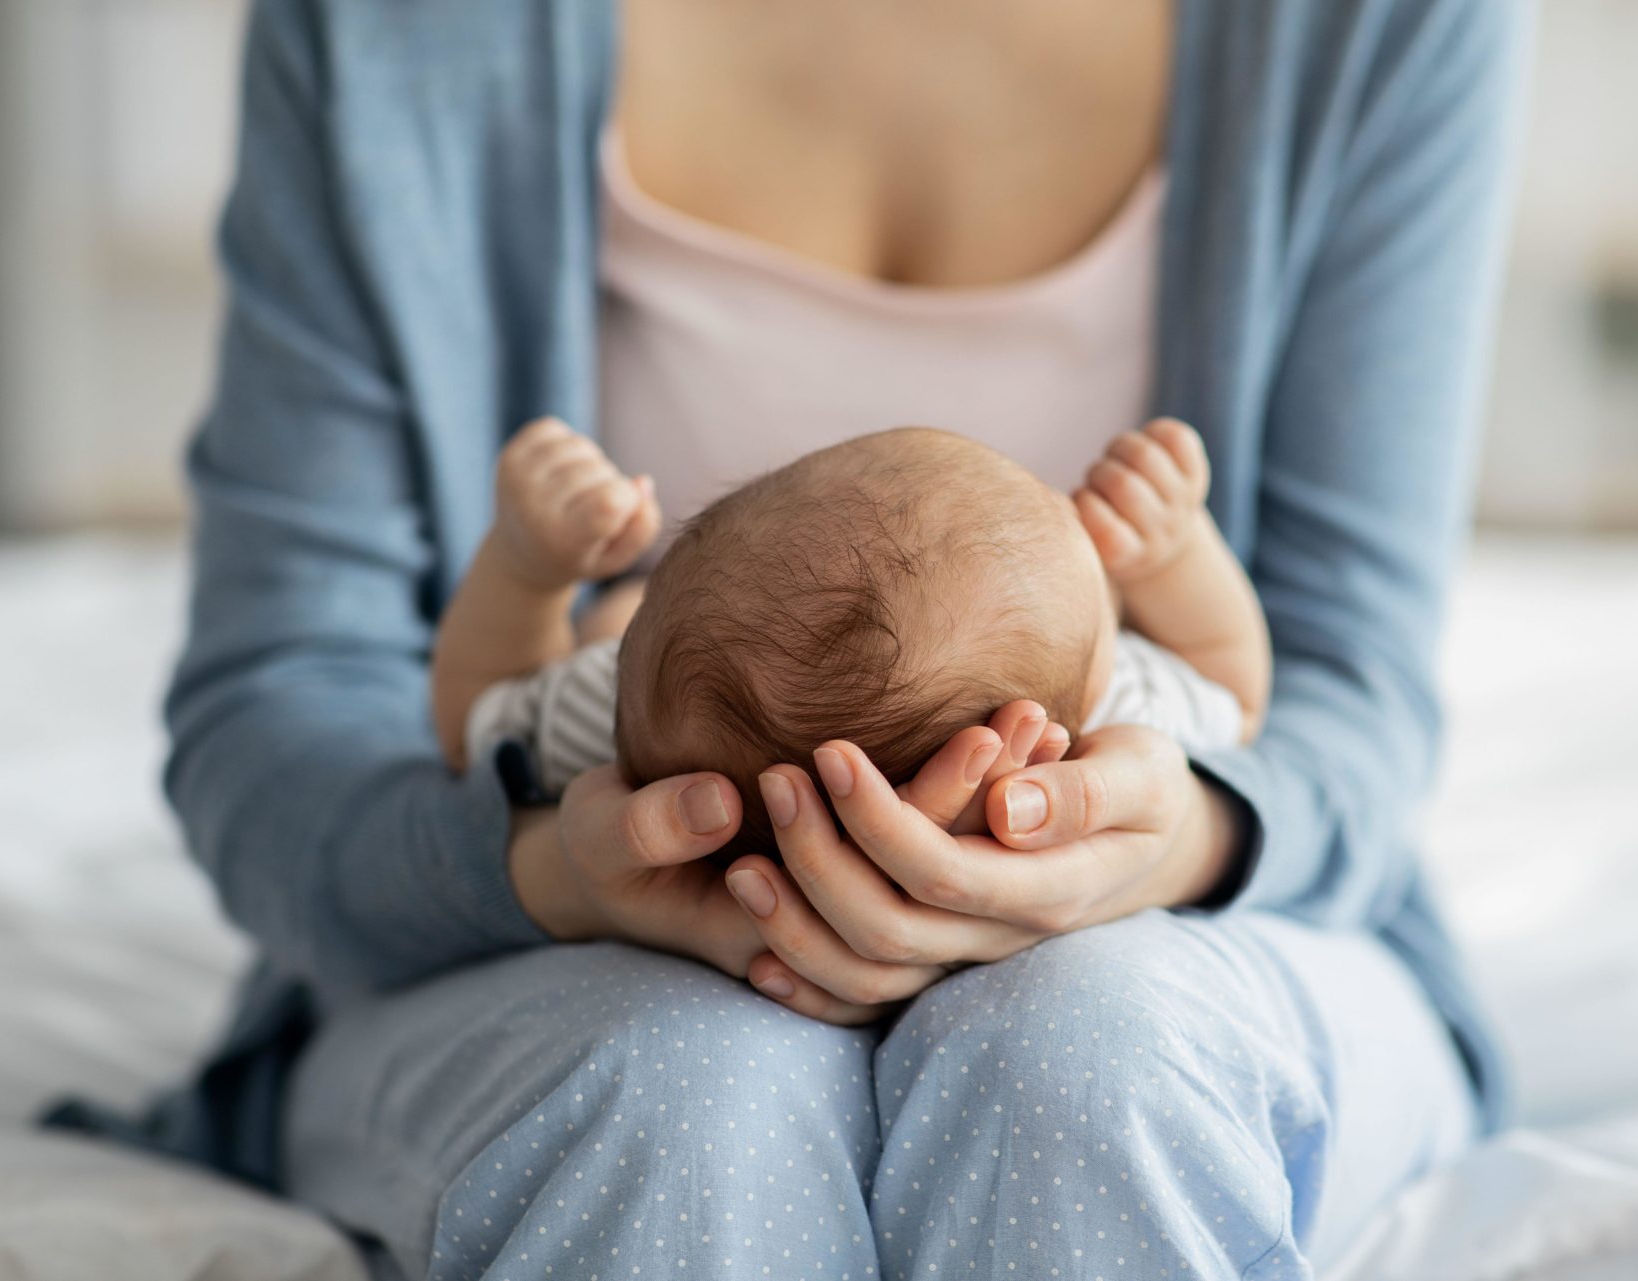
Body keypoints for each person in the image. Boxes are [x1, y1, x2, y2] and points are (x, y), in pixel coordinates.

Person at [139, 1, 1528, 1275]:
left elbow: (1342, 701)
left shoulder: (1369, 27)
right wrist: (556, 869)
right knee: (680, 1091)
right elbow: (299, 712)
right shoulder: (404, 33)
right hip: (555, 953)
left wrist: (1178, 842)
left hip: (1198, 932)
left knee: (1097, 1053)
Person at [429, 424, 1268, 859]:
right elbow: (1235, 688)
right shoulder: (1117, 728)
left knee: (611, 620)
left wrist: (527, 568)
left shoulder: (612, 726)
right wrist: (1174, 553)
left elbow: (474, 720)